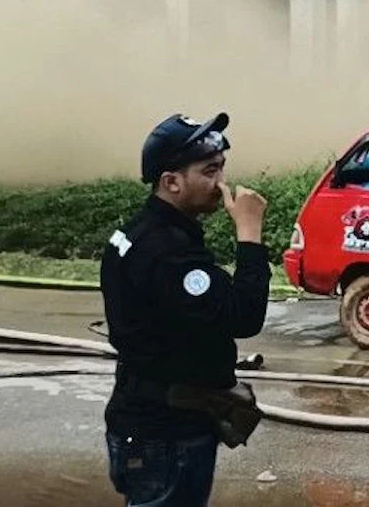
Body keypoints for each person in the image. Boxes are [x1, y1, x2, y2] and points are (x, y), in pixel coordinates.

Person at [100, 112, 271, 506]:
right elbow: (243, 316)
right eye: (210, 171)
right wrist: (249, 233)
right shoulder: (169, 253)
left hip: (147, 424)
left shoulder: (140, 233)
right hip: (166, 436)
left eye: (222, 168)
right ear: (171, 182)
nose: (222, 183)